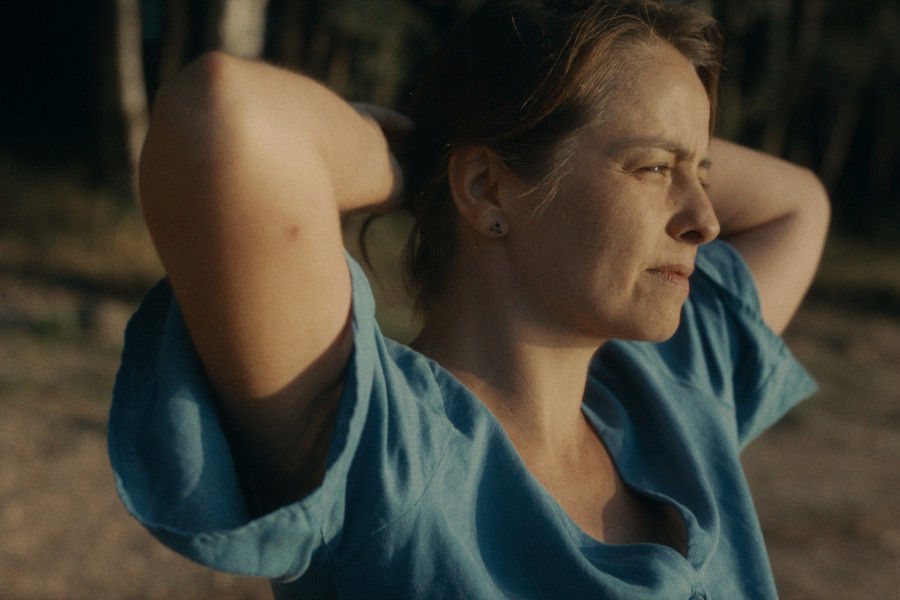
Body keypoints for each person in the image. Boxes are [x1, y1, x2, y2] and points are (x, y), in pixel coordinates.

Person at [109, 0, 830, 597]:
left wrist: (665, 127)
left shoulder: (671, 391)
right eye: (653, 169)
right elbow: (222, 113)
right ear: (487, 188)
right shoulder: (381, 450)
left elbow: (797, 205)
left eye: (703, 173)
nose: (705, 219)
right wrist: (411, 158)